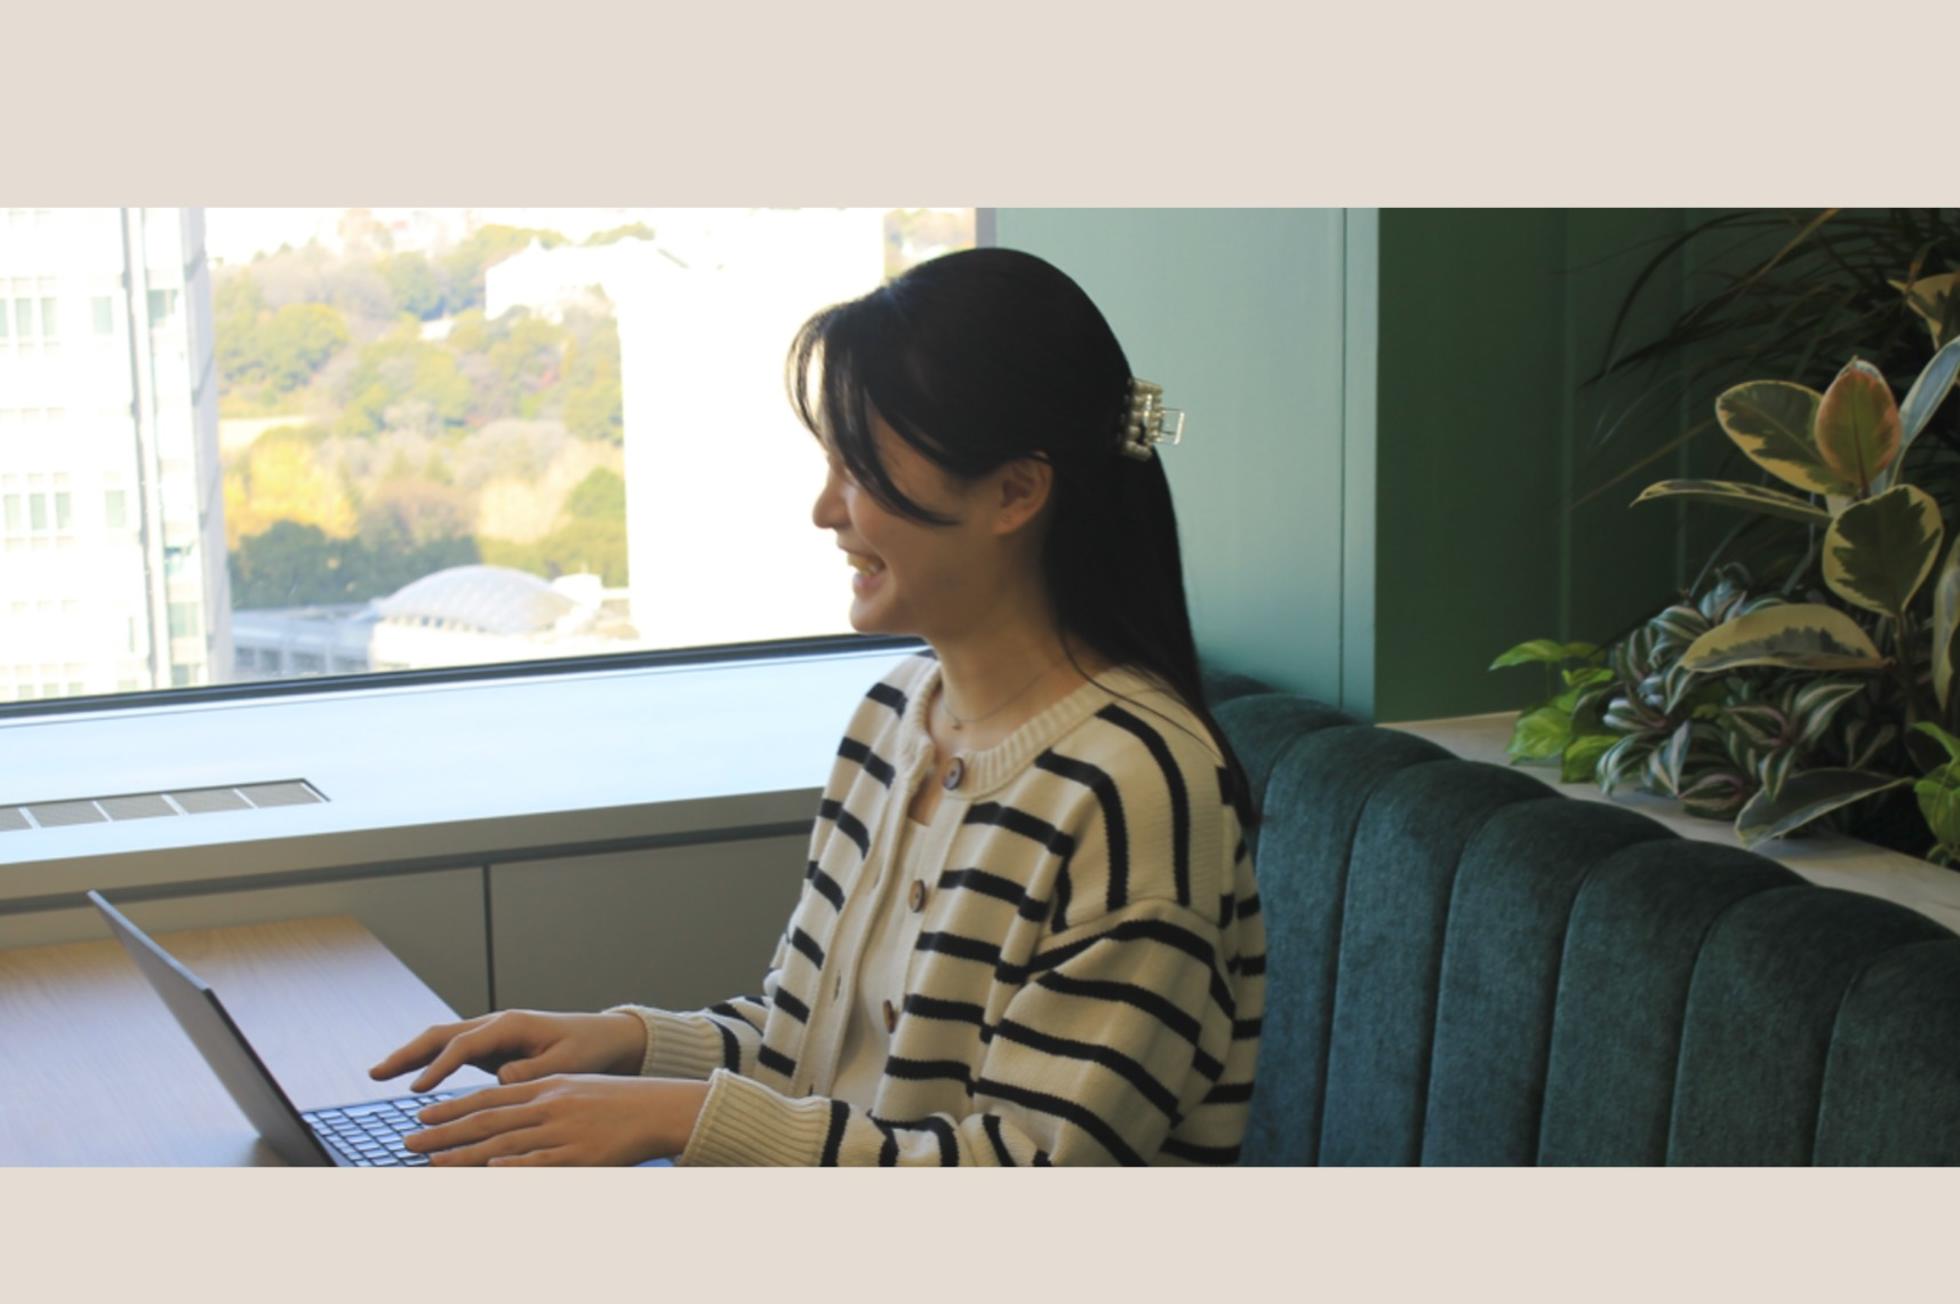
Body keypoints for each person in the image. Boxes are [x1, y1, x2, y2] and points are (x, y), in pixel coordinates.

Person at [368, 246, 1267, 1165]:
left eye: (861, 470)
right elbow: (807, 1046)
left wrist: (676, 1118)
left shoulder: (1136, 788)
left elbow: (1032, 1168)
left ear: (1014, 492)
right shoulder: (894, 717)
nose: (825, 510)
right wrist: (624, 1044)